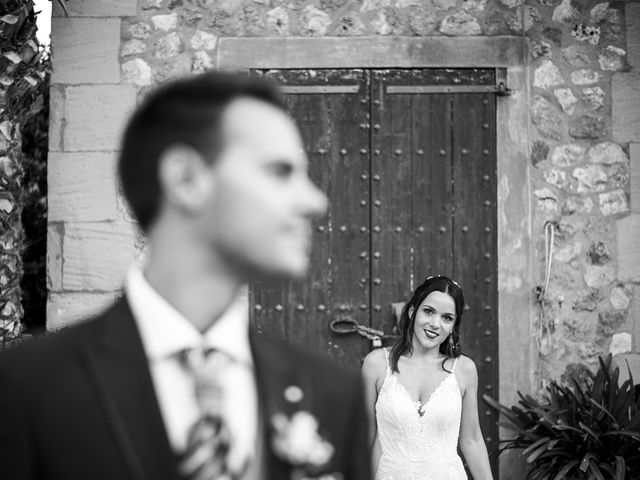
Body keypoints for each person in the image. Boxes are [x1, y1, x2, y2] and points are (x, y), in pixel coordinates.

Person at [0, 72, 371, 480]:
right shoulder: (26, 389)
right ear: (186, 178)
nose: (315, 201)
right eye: (280, 171)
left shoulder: (333, 394)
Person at [362, 275, 493, 480]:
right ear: (413, 311)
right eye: (429, 311)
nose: (435, 324)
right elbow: (365, 436)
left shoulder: (464, 369)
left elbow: (472, 440)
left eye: (447, 317)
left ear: (453, 325)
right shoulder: (376, 364)